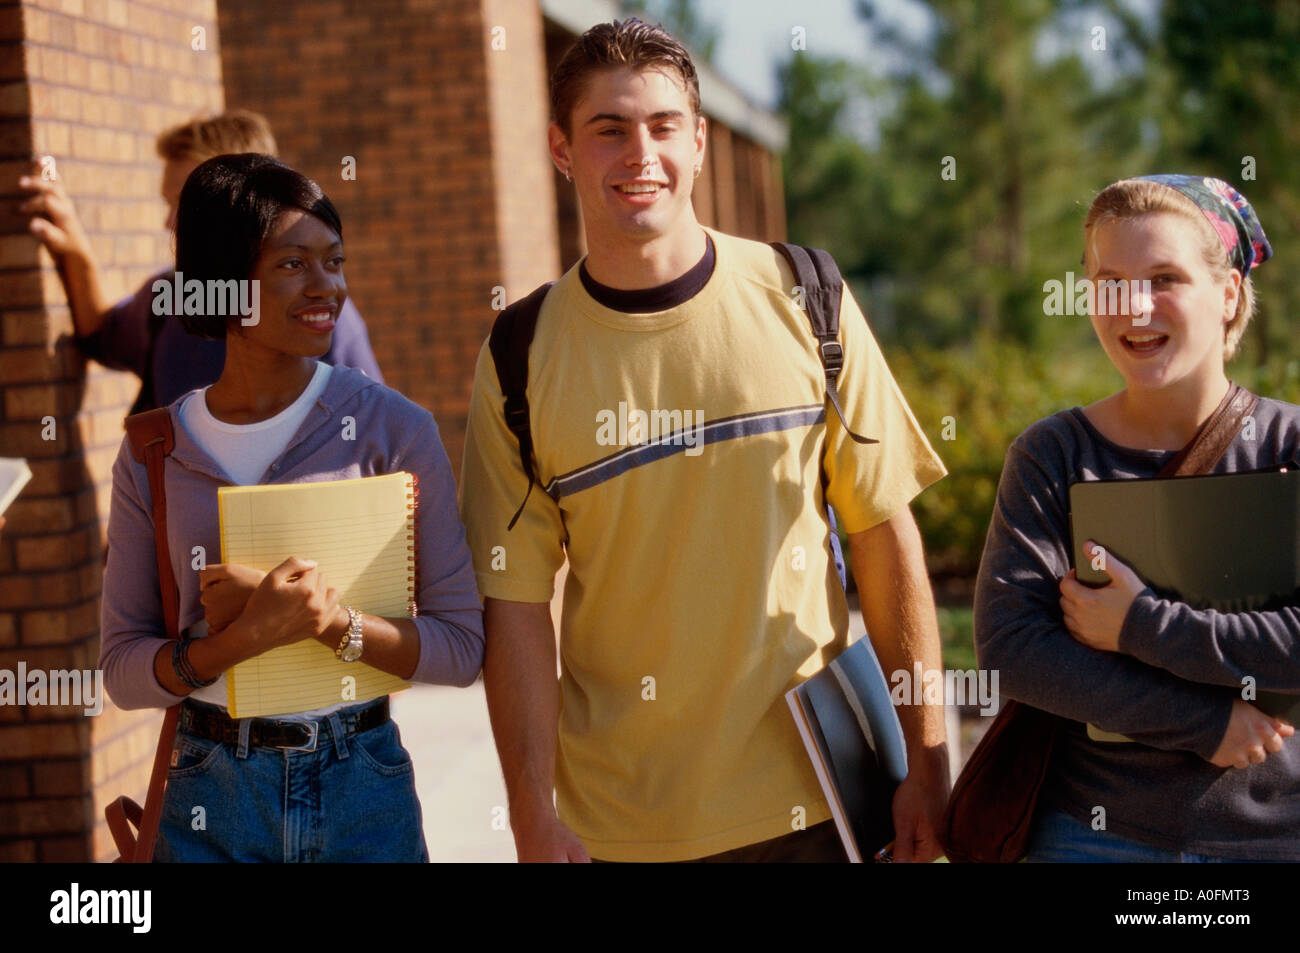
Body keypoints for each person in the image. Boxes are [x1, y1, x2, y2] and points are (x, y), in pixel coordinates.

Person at [459, 18, 951, 863]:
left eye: (662, 126)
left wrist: (930, 758)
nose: (639, 154)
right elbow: (516, 608)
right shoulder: (519, 355)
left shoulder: (808, 297)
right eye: (608, 129)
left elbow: (883, 538)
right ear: (561, 148)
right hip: (620, 823)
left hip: (820, 800)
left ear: (697, 138)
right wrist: (530, 809)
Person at [98, 154, 483, 862]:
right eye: (292, 264)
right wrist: (240, 641)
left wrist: (329, 624)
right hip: (205, 795)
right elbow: (122, 668)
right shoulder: (153, 449)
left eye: (334, 261)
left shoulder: (394, 430)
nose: (326, 286)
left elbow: (461, 648)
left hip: (362, 787)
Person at [974, 174, 1300, 862]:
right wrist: (1204, 722)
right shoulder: (1052, 454)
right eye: (1110, 281)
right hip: (1089, 837)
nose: (1134, 307)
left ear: (1230, 294)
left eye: (1164, 277)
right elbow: (1013, 649)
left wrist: (1139, 625)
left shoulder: (1288, 449)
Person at [17, 110, 383, 415]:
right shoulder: (174, 298)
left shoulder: (321, 314)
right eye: (172, 203)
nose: (170, 222)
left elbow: (372, 441)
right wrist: (75, 248)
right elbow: (102, 334)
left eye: (186, 203)